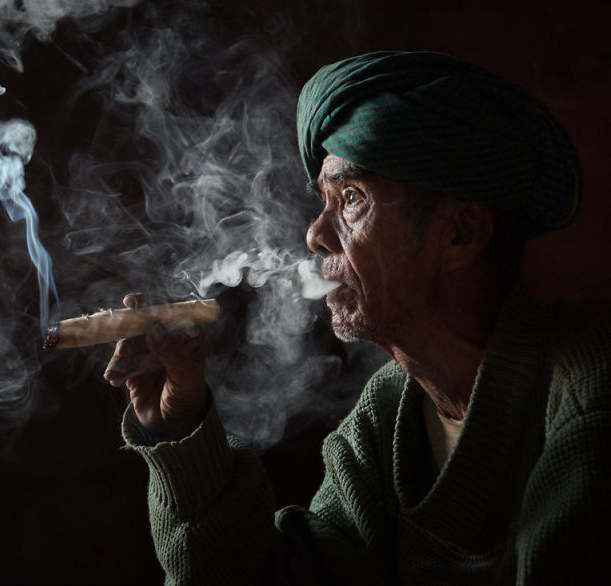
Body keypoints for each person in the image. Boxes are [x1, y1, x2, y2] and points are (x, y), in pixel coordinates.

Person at [103, 51, 611, 585]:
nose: (315, 235)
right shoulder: (390, 413)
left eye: (351, 198)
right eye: (322, 201)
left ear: (460, 233)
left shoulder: (588, 404)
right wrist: (181, 424)